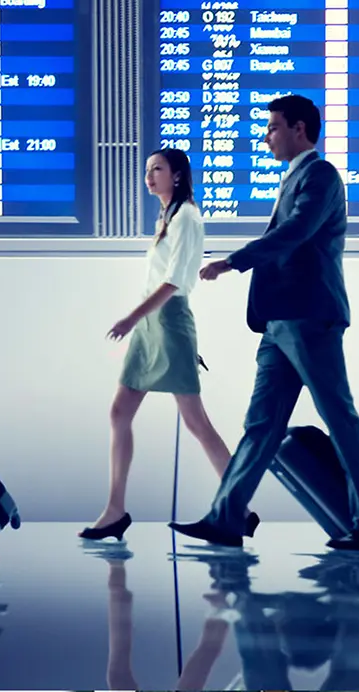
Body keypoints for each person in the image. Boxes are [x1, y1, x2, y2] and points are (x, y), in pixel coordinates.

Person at [170, 94, 359, 551]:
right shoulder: (296, 176)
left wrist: (235, 261)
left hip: (309, 316)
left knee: (339, 416)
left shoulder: (321, 175)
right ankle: (226, 518)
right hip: (280, 322)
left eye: (273, 127)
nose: (266, 137)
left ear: (299, 129)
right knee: (261, 424)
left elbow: (296, 231)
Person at [81, 148, 240, 541]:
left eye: (157, 169)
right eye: (147, 169)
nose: (149, 176)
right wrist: (139, 321)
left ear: (178, 175)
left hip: (167, 322)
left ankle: (239, 506)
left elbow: (174, 283)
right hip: (151, 324)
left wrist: (130, 318)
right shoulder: (167, 217)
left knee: (197, 423)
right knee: (120, 412)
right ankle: (114, 510)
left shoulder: (187, 217)